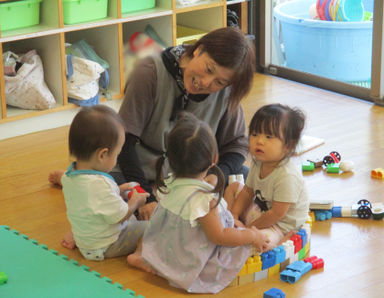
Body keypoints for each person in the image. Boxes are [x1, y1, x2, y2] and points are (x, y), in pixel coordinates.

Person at [114, 26, 256, 220]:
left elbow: (236, 146)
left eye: (219, 82)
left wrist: (216, 176)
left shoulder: (226, 91)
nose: (206, 83)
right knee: (106, 190)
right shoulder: (150, 72)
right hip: (144, 172)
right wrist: (146, 198)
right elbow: (124, 142)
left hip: (195, 177)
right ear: (198, 50)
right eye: (208, 69)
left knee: (250, 179)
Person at [127, 112, 269, 294]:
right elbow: (220, 236)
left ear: (169, 159)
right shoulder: (204, 201)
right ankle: (172, 270)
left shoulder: (168, 184)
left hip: (164, 248)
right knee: (246, 244)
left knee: (148, 231)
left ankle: (143, 256)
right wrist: (251, 236)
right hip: (187, 259)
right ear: (215, 159)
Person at [55, 105, 150, 261]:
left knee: (92, 213)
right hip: (107, 244)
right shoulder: (101, 185)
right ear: (103, 154)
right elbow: (119, 216)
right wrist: (135, 202)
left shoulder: (69, 176)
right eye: (117, 153)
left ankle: (76, 236)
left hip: (86, 239)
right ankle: (138, 257)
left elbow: (94, 201)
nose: (117, 158)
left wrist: (118, 190)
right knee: (150, 227)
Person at [229, 104, 310, 251]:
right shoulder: (258, 161)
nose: (259, 141)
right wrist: (234, 215)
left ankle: (281, 244)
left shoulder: (287, 176)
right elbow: (248, 192)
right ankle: (230, 222)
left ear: (288, 146)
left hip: (278, 226)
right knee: (234, 187)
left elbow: (276, 214)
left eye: (268, 136)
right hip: (261, 212)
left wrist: (248, 231)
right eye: (254, 134)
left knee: (255, 246)